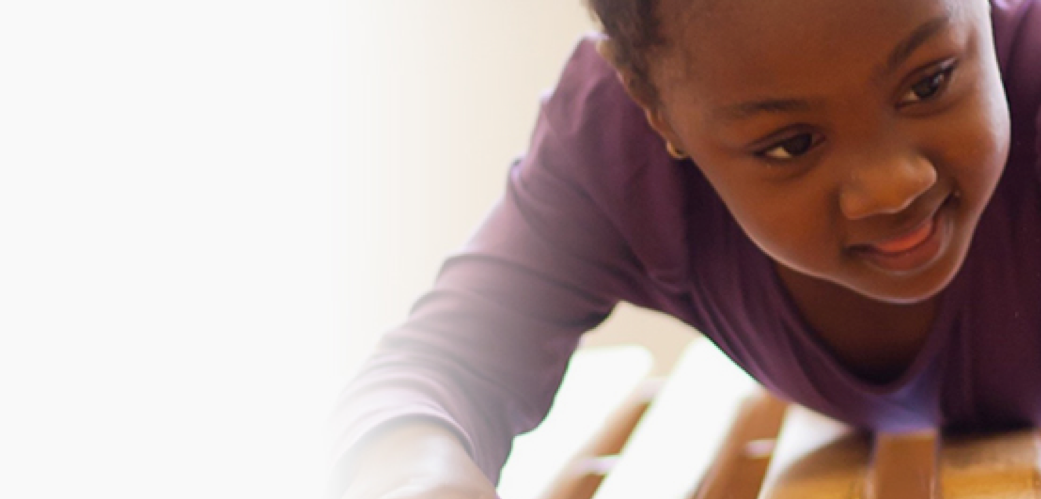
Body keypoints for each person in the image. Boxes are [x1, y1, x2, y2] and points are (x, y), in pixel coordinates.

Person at [329, 0, 1041, 497]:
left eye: (930, 83)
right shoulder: (614, 156)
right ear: (656, 110)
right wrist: (416, 476)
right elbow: (442, 368)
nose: (893, 187)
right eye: (791, 144)